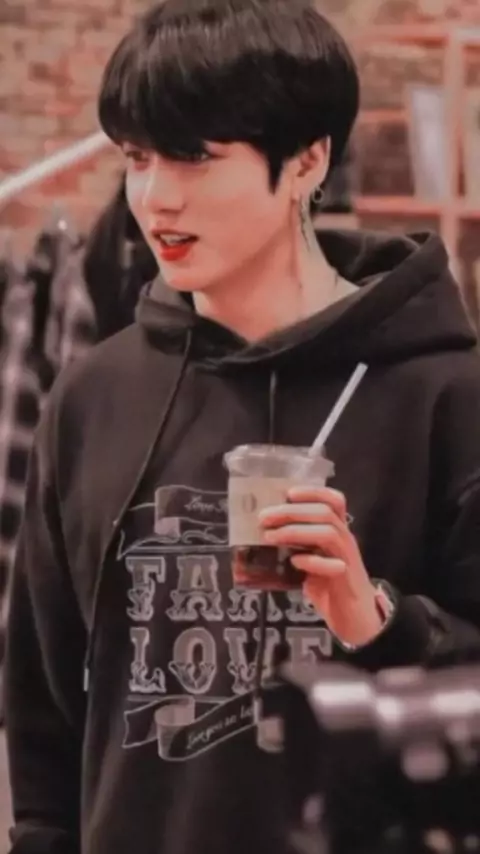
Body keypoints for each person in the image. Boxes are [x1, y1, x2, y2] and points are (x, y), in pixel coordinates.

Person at [6, 1, 480, 852]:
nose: (155, 197)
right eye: (137, 158)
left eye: (193, 156)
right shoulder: (91, 398)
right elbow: (44, 717)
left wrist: (377, 621)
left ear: (307, 160)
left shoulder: (446, 395)